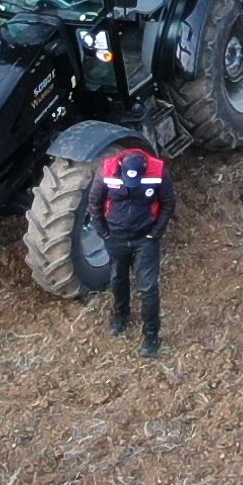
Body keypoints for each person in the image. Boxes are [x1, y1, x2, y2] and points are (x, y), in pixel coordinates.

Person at [94, 138, 170, 357]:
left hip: (144, 238)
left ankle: (151, 336)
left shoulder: (158, 173)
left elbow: (168, 204)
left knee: (148, 288)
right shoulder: (107, 172)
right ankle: (121, 316)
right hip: (116, 237)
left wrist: (155, 233)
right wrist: (104, 232)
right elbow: (94, 203)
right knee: (118, 277)